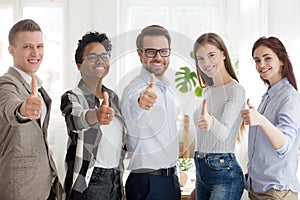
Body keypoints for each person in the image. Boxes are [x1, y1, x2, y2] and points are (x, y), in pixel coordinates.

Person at [0, 19, 63, 199]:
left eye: (39, 46)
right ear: (12, 50)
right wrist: (23, 109)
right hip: (19, 190)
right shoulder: (6, 84)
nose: (35, 53)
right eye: (27, 46)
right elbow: (10, 107)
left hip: (44, 185)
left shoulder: (36, 85)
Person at [60, 31, 126, 200]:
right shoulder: (72, 96)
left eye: (104, 56)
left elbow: (123, 140)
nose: (100, 61)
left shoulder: (113, 97)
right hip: (91, 182)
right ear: (79, 65)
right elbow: (75, 119)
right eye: (92, 57)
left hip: (116, 180)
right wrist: (95, 115)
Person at [120, 25, 181, 200]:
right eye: (151, 52)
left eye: (163, 51)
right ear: (139, 53)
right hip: (148, 184)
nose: (158, 57)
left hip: (169, 180)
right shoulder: (136, 88)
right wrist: (141, 102)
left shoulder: (166, 91)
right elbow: (134, 107)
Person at [241, 36, 300, 200]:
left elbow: (284, 145)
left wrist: (260, 120)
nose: (261, 65)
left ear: (281, 60)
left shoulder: (290, 97)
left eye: (267, 58)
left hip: (276, 192)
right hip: (259, 188)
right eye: (257, 60)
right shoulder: (269, 95)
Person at [191, 32, 245, 200]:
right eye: (200, 58)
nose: (206, 63)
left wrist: (210, 121)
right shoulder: (207, 91)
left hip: (224, 172)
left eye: (211, 55)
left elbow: (223, 134)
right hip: (201, 170)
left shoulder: (235, 90)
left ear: (223, 54)